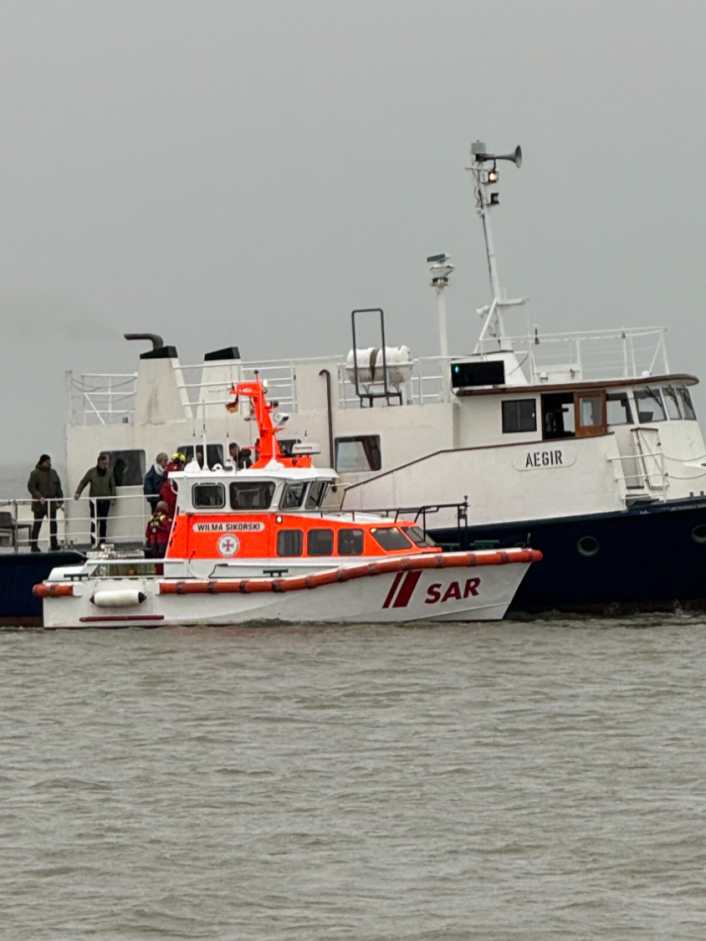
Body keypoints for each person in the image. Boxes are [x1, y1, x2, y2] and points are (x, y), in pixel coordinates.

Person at [74, 452, 116, 547]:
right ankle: (93, 541)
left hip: (105, 501)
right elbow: (83, 482)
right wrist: (78, 493)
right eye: (104, 463)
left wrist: (113, 498)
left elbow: (113, 486)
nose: (105, 465)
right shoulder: (91, 472)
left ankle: (102, 541)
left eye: (106, 464)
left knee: (103, 521)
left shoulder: (109, 472)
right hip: (94, 501)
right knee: (94, 521)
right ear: (99, 462)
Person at [27, 454, 63, 552]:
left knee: (53, 524)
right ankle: (34, 545)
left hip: (51, 503)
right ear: (42, 462)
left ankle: (54, 544)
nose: (49, 463)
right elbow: (31, 487)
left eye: (49, 461)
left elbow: (58, 487)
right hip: (39, 504)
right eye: (47, 462)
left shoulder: (53, 473)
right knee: (37, 524)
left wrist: (60, 500)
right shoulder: (35, 473)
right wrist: (39, 497)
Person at [159, 452, 185, 517]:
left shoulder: (168, 467)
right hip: (172, 493)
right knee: (173, 510)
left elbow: (164, 478)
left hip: (167, 491)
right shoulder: (178, 469)